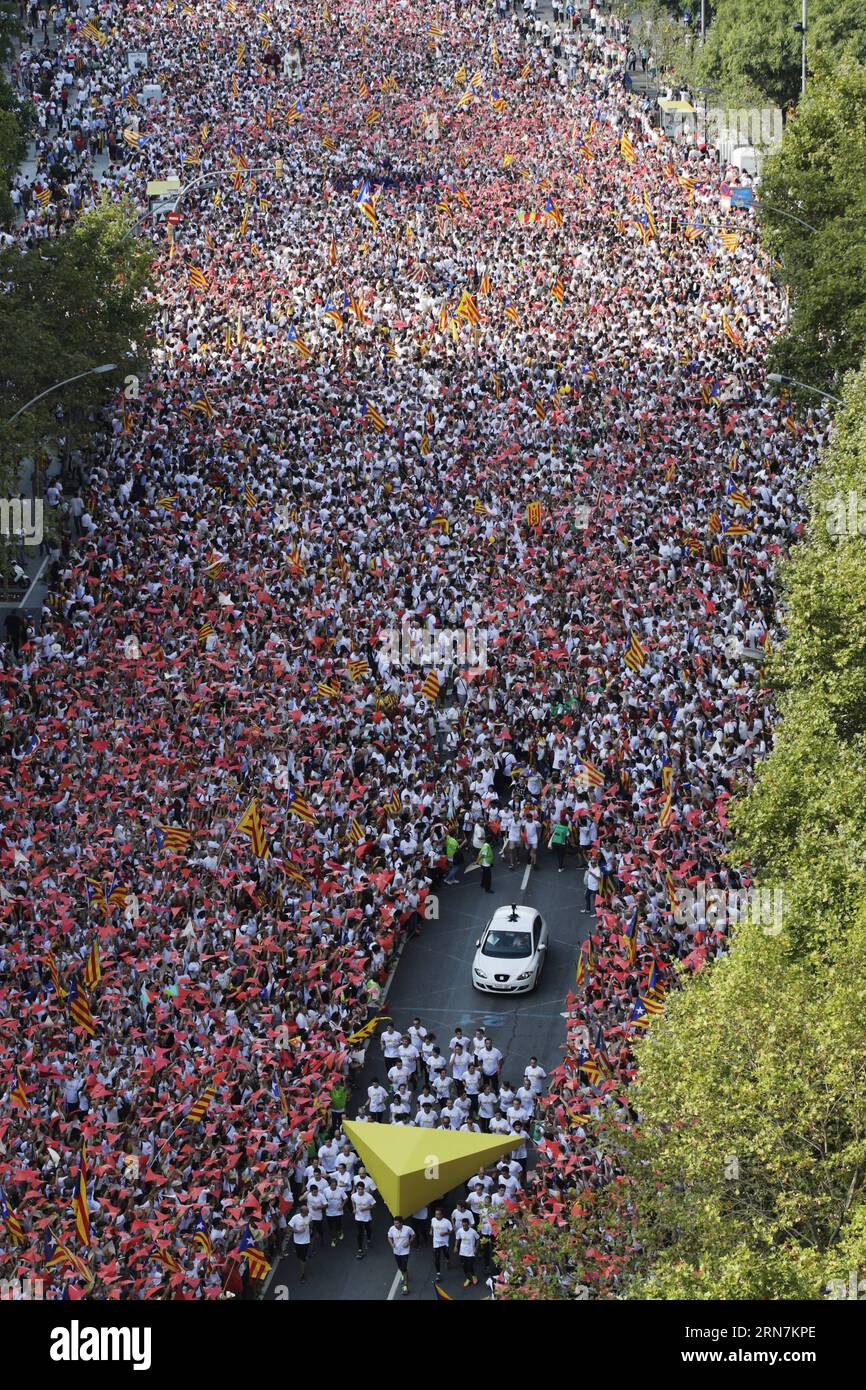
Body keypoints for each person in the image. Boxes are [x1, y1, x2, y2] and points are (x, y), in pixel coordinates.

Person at [387, 1215, 415, 1294]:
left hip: (405, 1251)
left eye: (397, 1223)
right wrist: (391, 1244)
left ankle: (405, 1286)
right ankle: (404, 1274)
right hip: (396, 1251)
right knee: (400, 1266)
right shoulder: (392, 1229)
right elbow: (389, 1237)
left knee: (404, 1266)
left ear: (401, 1223)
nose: (395, 1225)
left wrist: (409, 1242)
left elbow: (413, 1235)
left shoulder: (408, 1229)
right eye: (394, 1223)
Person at [288, 1201, 312, 1282]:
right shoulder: (295, 1218)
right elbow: (290, 1227)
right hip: (298, 1241)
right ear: (302, 1212)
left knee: (302, 1258)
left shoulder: (309, 1216)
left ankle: (302, 1274)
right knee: (299, 1257)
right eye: (306, 1212)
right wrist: (297, 1231)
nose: (308, 1213)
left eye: (308, 1211)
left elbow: (311, 1223)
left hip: (306, 1241)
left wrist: (310, 1229)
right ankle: (303, 1262)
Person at [351, 1180, 375, 1258]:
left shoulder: (369, 1196)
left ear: (364, 1189)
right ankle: (360, 1250)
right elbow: (353, 1201)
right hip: (358, 1217)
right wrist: (354, 1208)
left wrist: (366, 1208)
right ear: (357, 1189)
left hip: (367, 1217)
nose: (360, 1190)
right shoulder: (354, 1196)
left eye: (361, 1189)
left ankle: (368, 1239)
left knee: (368, 1229)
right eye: (359, 1189)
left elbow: (374, 1205)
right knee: (359, 1233)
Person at [454, 1216, 480, 1287]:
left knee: (470, 1266)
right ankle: (468, 1279)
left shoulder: (473, 1231)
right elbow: (457, 1239)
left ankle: (474, 1276)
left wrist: (476, 1248)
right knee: (464, 1267)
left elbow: (478, 1239)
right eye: (463, 1226)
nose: (464, 1227)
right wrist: (455, 1246)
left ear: (468, 1224)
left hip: (471, 1253)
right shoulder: (460, 1231)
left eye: (465, 1226)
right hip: (462, 1252)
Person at [430, 1206, 453, 1275]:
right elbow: (432, 1226)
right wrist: (431, 1230)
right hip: (436, 1242)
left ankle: (448, 1260)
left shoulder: (447, 1222)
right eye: (436, 1214)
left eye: (438, 1214)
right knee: (437, 1257)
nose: (437, 1216)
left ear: (442, 1214)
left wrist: (445, 1233)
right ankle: (438, 1273)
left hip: (444, 1242)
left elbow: (452, 1231)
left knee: (445, 1253)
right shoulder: (433, 1219)